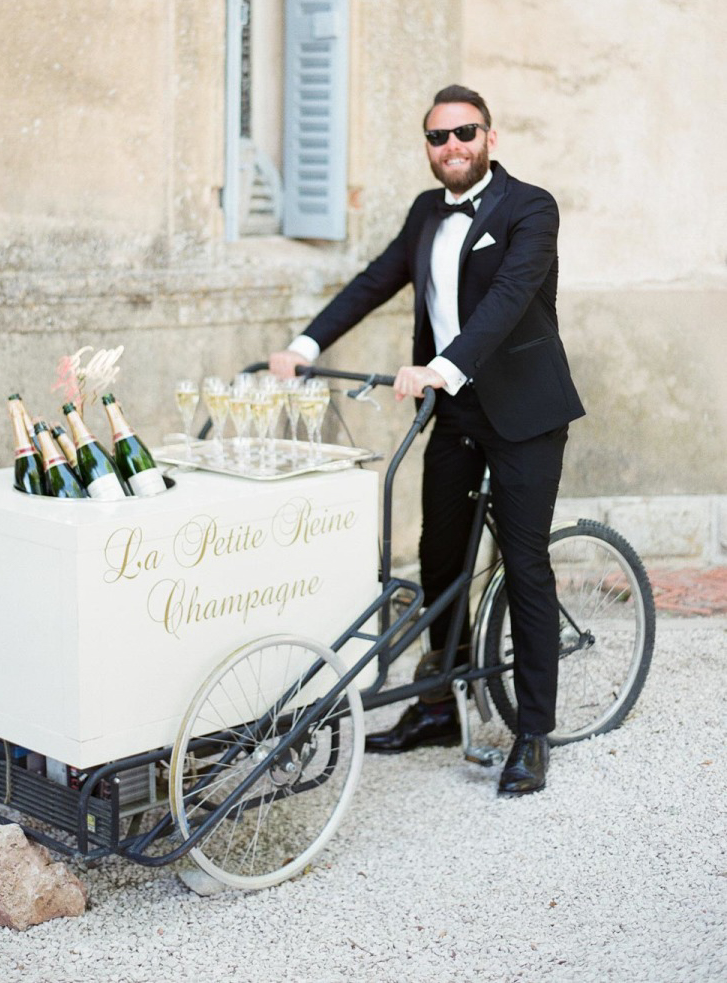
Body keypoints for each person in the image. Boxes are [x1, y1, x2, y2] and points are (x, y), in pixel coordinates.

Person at [269, 84, 585, 796]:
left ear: (490, 138)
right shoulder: (423, 212)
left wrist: (443, 365)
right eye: (439, 138)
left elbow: (508, 300)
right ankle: (439, 705)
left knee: (524, 563)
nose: (453, 148)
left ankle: (533, 731)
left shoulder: (531, 207)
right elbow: (373, 281)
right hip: (456, 414)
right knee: (440, 562)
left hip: (525, 413)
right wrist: (305, 343)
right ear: (428, 148)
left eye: (465, 133)